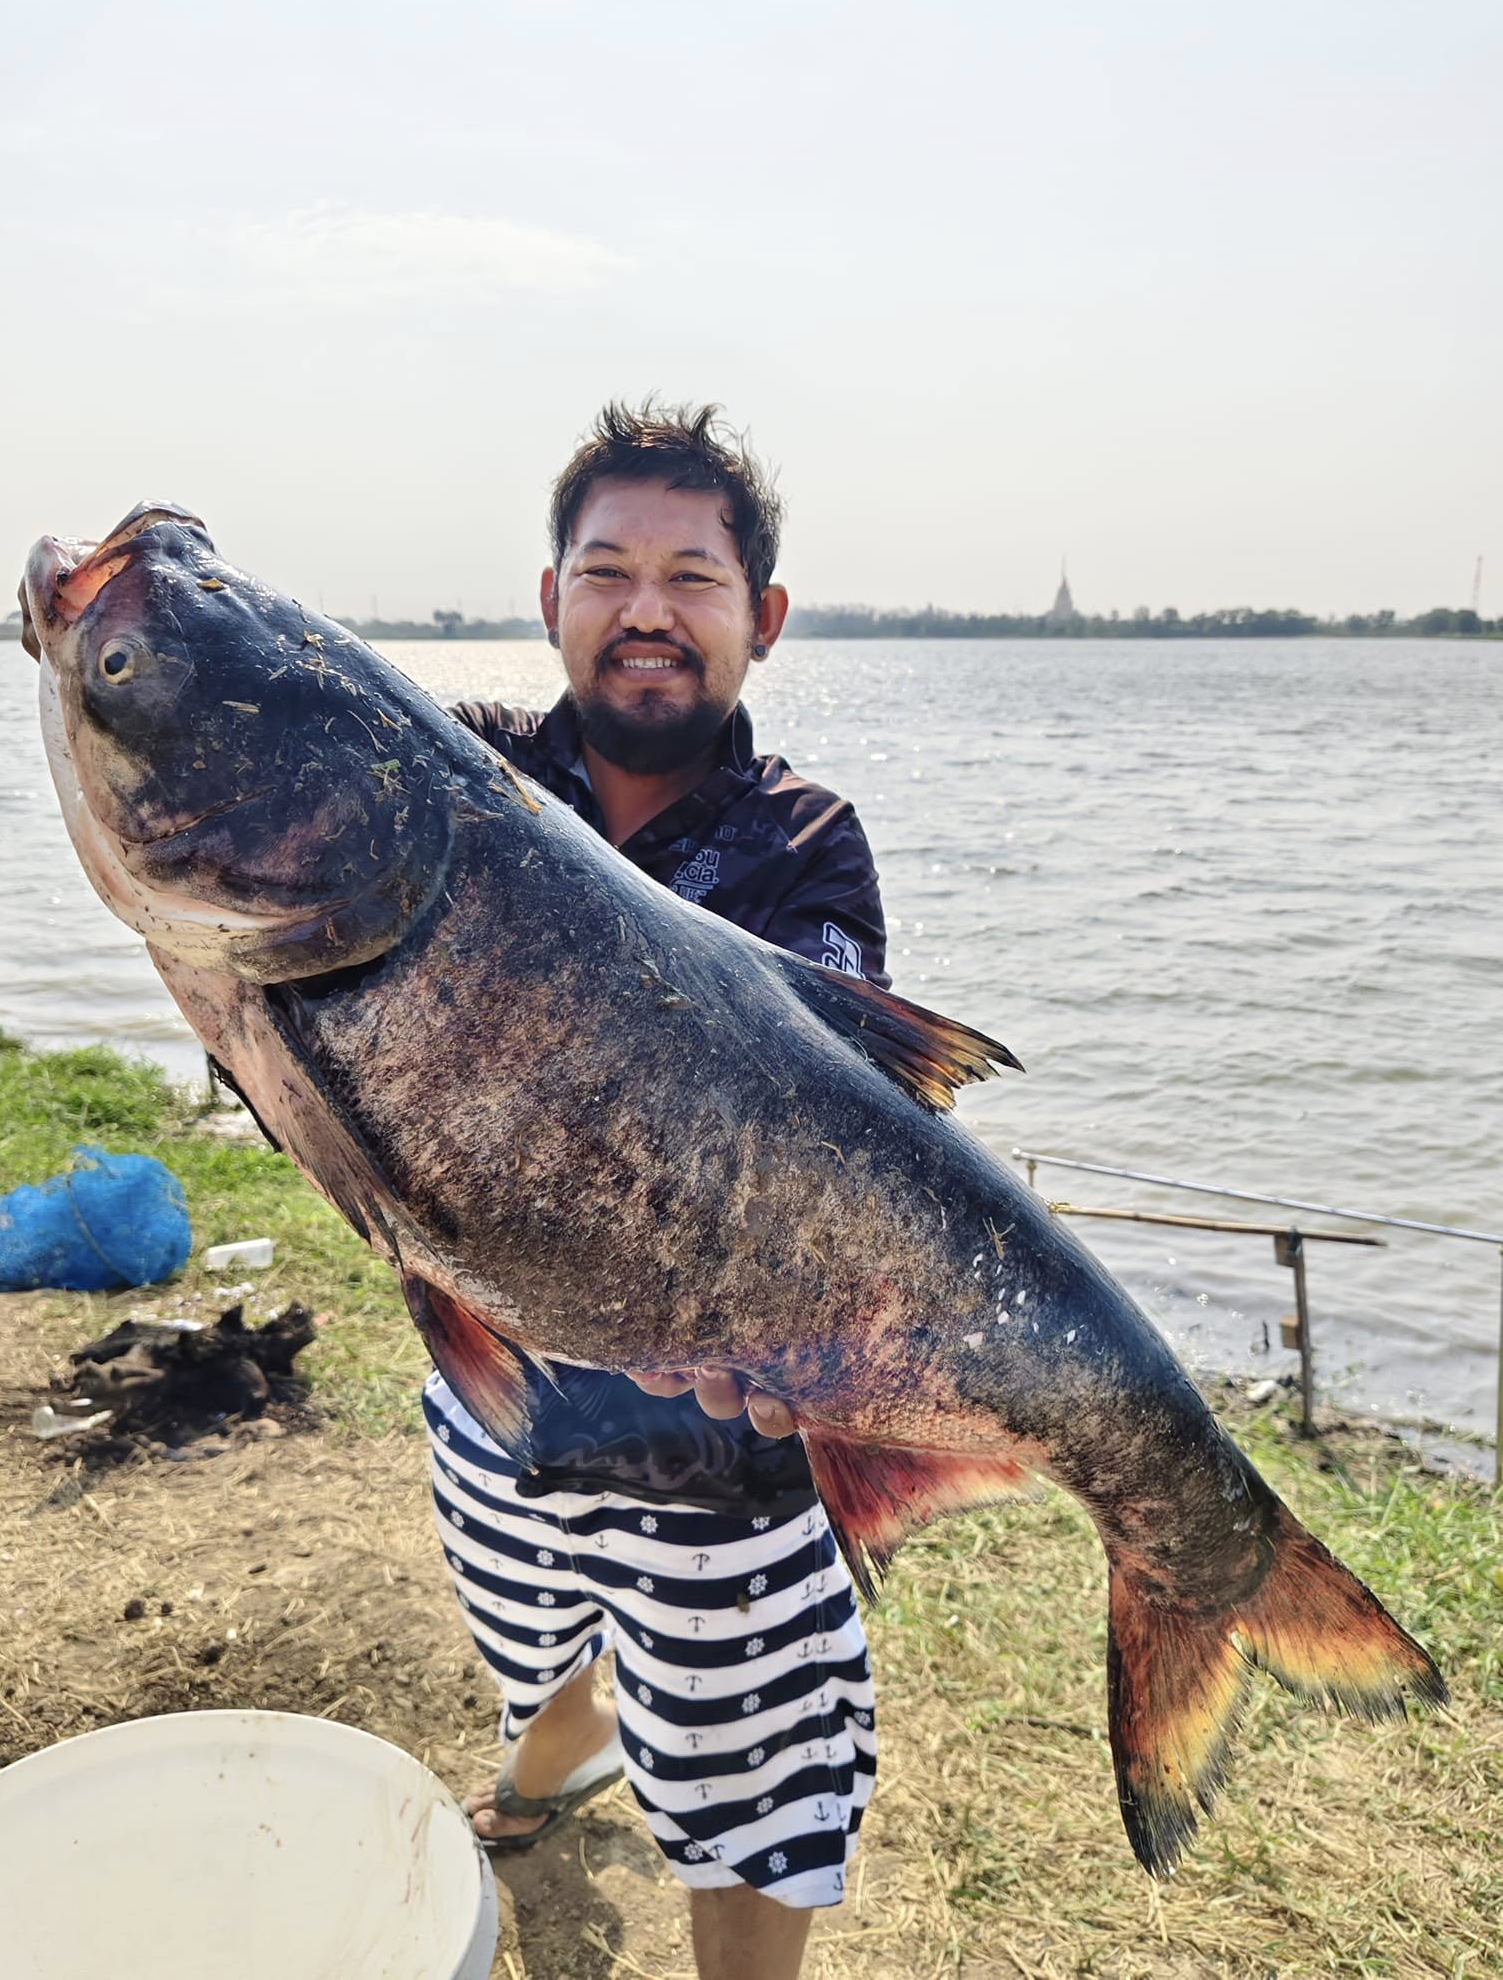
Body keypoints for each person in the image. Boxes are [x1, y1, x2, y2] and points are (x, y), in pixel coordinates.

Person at [427, 402, 889, 1980]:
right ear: (550, 597)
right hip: (489, 1386)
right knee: (530, 1632)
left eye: (691, 578)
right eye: (606, 569)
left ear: (760, 618)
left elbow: (822, 1113)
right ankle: (544, 1774)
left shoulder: (804, 841)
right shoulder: (462, 777)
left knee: (750, 1790)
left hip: (723, 1442)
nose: (644, 611)